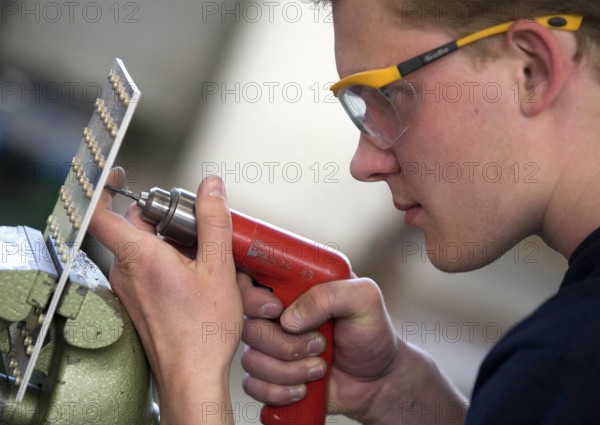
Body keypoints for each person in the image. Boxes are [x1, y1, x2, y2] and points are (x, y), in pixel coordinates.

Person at [90, 0, 600, 423]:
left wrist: (190, 375)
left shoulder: (569, 360)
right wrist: (397, 393)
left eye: (388, 98)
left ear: (532, 69)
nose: (364, 164)